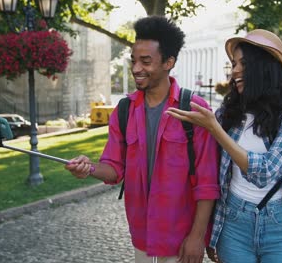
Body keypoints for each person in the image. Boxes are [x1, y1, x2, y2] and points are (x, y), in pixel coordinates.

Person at [64, 16, 220, 263]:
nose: (136, 68)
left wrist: (197, 237)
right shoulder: (124, 111)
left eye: (146, 62)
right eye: (134, 61)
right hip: (142, 237)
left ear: (169, 62)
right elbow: (114, 169)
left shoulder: (194, 109)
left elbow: (208, 182)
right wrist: (88, 168)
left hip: (181, 239)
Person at [166, 29, 282, 263]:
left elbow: (264, 173)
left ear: (265, 67)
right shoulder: (228, 113)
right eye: (233, 63)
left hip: (281, 226)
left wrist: (215, 129)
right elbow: (212, 171)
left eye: (243, 63)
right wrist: (212, 230)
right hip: (233, 224)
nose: (234, 71)